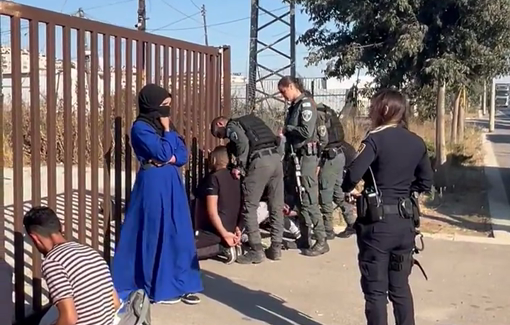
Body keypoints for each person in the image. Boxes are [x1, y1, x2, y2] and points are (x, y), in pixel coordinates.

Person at [341, 89, 433, 325]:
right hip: (405, 226)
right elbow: (425, 182)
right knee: (400, 288)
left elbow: (352, 175)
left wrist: (356, 189)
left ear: (383, 110)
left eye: (373, 107)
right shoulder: (416, 141)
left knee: (375, 292)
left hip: (377, 226)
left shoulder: (375, 139)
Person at [112, 84, 202, 305]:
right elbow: (162, 152)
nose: (167, 112)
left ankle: (179, 283)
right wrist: (168, 139)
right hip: (153, 183)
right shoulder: (140, 128)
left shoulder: (165, 126)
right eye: (164, 106)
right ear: (151, 105)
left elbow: (182, 155)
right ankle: (156, 287)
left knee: (177, 232)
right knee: (155, 232)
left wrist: (168, 150)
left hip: (171, 181)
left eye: (169, 106)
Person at [23, 206, 120, 325]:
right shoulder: (90, 251)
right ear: (61, 227)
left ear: (35, 238)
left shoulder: (53, 262)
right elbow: (115, 303)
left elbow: (69, 319)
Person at [210, 114, 285, 264]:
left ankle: (256, 251)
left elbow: (243, 143)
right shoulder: (253, 122)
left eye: (220, 134)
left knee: (249, 207)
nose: (223, 138)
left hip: (260, 162)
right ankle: (276, 248)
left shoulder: (233, 125)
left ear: (220, 123)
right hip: (276, 160)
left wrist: (239, 166)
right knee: (276, 206)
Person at [278, 75, 329, 257]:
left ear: (291, 86)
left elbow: (306, 131)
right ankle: (305, 238)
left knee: (309, 196)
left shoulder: (306, 104)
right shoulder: (294, 106)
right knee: (300, 198)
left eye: (284, 92)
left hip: (307, 157)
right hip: (296, 157)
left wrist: (287, 129)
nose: (283, 96)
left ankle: (321, 240)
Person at [194, 145, 243, 264]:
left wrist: (224, 234)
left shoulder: (214, 178)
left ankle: (223, 247)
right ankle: (230, 244)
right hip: (232, 228)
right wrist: (238, 229)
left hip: (216, 231)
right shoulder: (236, 178)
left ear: (214, 160)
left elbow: (212, 212)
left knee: (183, 250)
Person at [315, 103, 356, 240]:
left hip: (330, 157)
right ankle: (352, 222)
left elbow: (322, 141)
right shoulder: (328, 111)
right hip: (339, 154)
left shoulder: (318, 114)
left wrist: (318, 161)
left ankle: (328, 230)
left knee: (325, 193)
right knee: (337, 192)